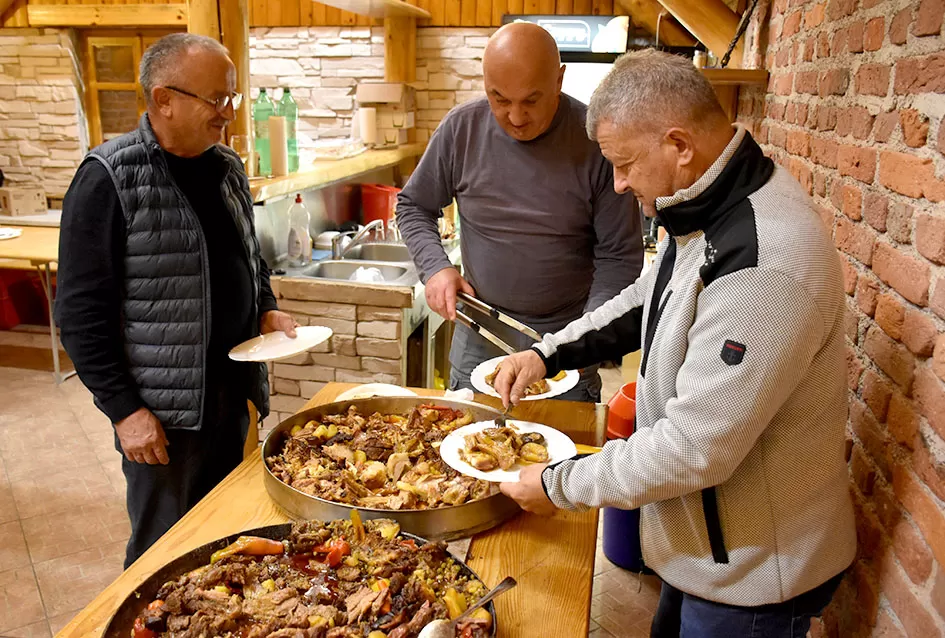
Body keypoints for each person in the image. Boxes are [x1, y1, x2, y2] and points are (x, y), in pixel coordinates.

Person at [494, 49, 856, 636]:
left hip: (752, 577)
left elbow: (693, 449)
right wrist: (547, 354)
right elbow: (651, 295)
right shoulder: (704, 204)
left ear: (679, 145)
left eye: (625, 164)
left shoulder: (764, 266)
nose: (618, 183)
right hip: (704, 553)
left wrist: (558, 484)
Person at [55, 33, 297, 568]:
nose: (228, 112)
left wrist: (265, 306)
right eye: (217, 99)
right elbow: (79, 314)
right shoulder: (109, 177)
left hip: (232, 398)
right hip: (165, 419)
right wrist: (125, 411)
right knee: (163, 556)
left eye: (231, 97)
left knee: (229, 536)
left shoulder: (227, 166)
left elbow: (250, 258)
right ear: (164, 99)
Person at [396, 22, 643, 402]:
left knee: (564, 442)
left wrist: (584, 338)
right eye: (499, 99)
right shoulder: (461, 129)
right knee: (466, 437)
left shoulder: (596, 142)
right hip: (480, 335)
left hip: (564, 338)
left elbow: (619, 257)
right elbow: (413, 205)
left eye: (530, 101)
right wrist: (435, 268)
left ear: (559, 80)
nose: (514, 117)